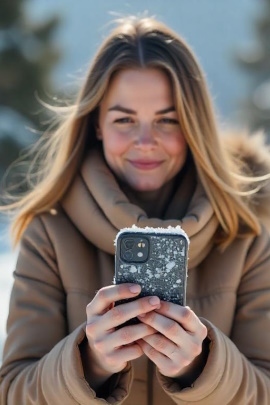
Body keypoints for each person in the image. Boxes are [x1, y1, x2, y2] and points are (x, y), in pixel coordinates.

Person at [0, 16, 270, 405]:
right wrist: (88, 364)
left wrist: (203, 368)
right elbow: (13, 393)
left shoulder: (244, 234)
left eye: (167, 120)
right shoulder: (50, 234)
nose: (145, 141)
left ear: (195, 126)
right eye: (124, 119)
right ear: (96, 124)